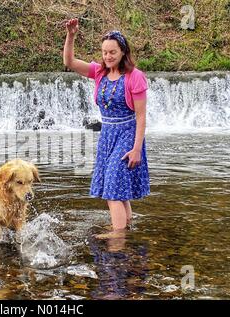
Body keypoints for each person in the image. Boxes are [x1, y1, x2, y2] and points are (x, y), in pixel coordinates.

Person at [63, 18, 150, 235]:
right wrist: (71, 35)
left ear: (122, 52)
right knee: (118, 190)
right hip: (107, 136)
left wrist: (137, 148)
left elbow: (141, 117)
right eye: (104, 52)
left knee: (112, 188)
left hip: (127, 136)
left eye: (112, 52)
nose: (108, 56)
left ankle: (117, 237)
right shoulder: (99, 72)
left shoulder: (135, 77)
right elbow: (70, 62)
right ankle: (127, 229)